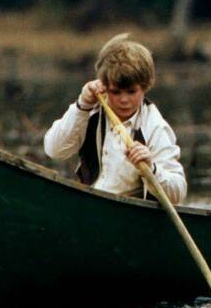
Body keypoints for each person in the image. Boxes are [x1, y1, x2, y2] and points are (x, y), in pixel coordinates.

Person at [43, 33, 187, 204]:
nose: (124, 100)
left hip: (130, 213)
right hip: (89, 205)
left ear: (144, 87)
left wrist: (152, 169)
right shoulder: (90, 111)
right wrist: (81, 106)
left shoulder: (155, 126)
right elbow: (54, 150)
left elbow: (178, 193)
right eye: (116, 91)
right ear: (104, 85)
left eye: (132, 92)